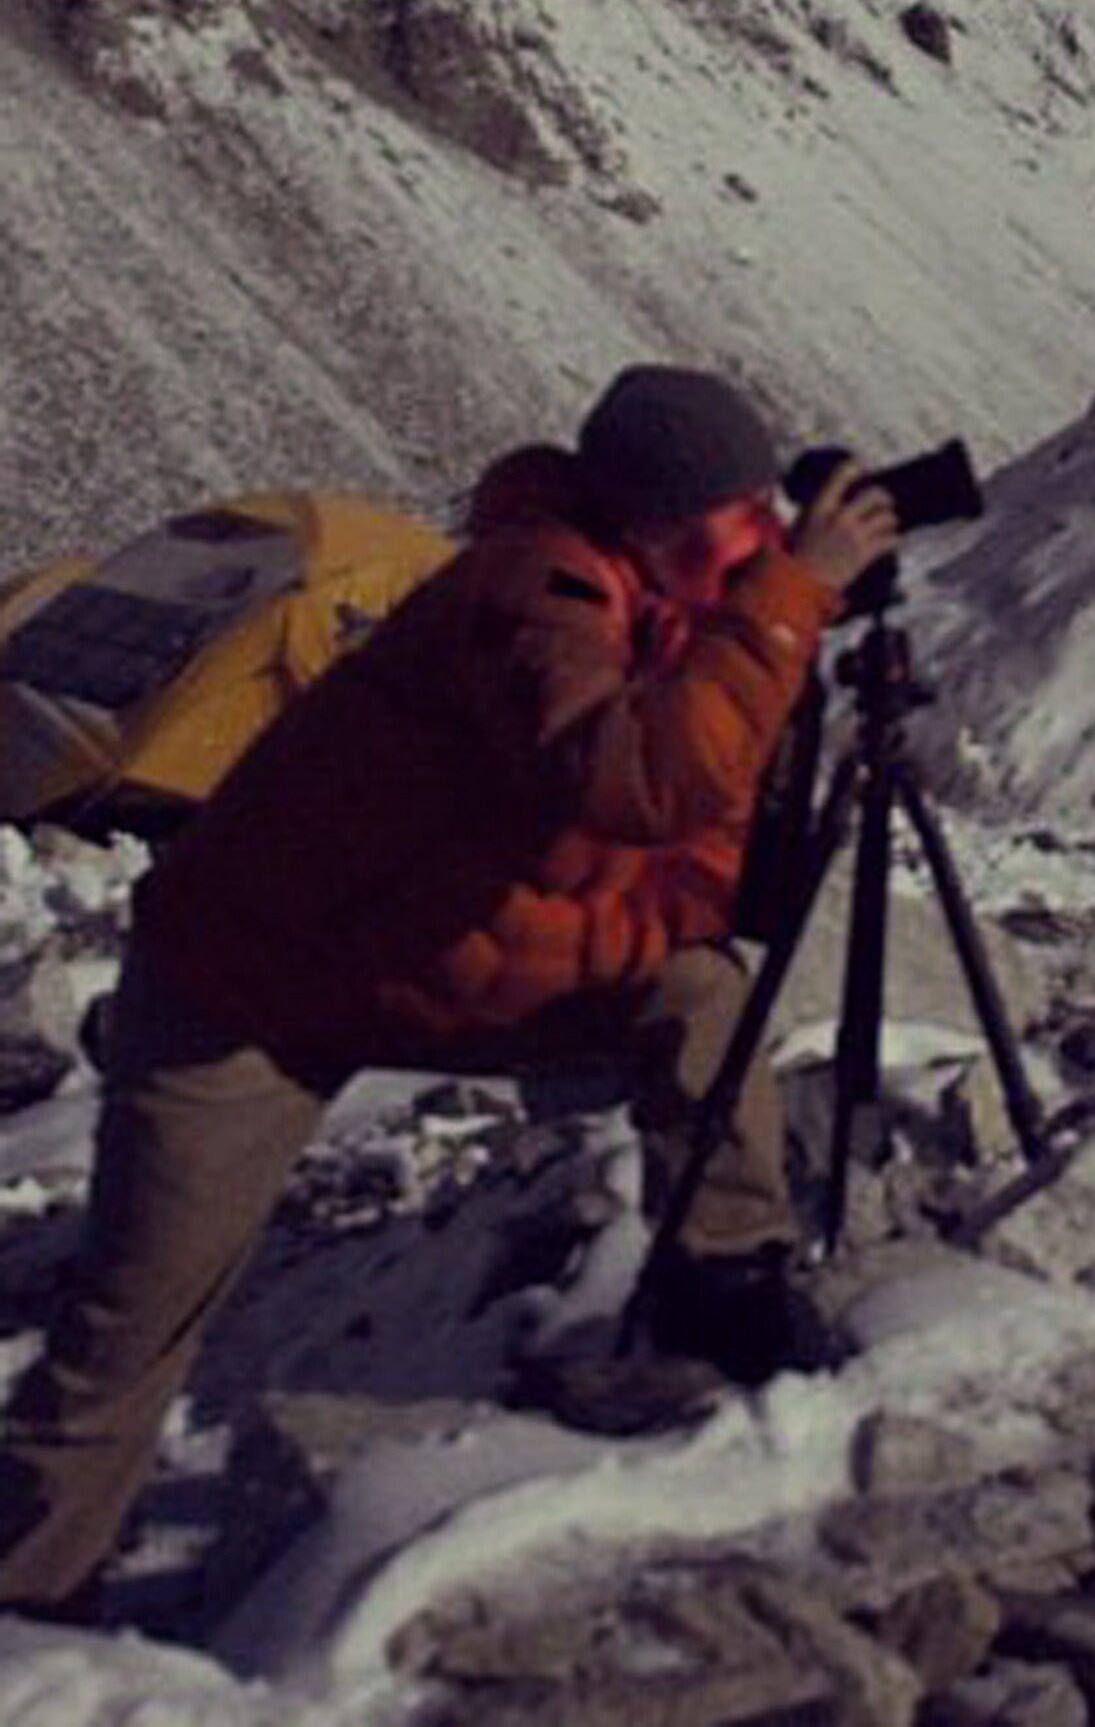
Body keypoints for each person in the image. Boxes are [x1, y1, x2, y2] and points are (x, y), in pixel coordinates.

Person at [0, 364, 901, 1622]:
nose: (754, 546)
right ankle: (32, 1604)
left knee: (699, 997)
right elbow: (628, 781)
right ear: (644, 517)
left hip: (447, 966)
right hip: (249, 993)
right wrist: (784, 603)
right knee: (132, 1325)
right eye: (731, 523)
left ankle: (725, 1284)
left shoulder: (666, 604)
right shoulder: (533, 591)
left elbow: (695, 854)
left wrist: (780, 634)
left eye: (766, 519)